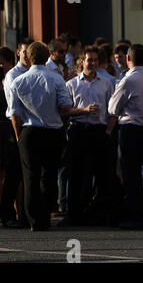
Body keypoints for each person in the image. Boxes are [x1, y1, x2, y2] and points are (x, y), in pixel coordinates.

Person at [9, 41, 98, 231]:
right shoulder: (56, 79)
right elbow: (65, 108)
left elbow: (14, 115)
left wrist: (19, 138)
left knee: (30, 177)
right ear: (47, 56)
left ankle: (33, 220)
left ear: (29, 57)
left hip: (29, 130)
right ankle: (44, 217)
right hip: (52, 131)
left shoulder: (18, 81)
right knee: (48, 176)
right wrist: (81, 110)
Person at [57, 46, 115, 227]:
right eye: (89, 60)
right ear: (81, 61)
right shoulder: (71, 84)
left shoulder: (106, 83)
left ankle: (99, 213)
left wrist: (107, 131)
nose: (93, 63)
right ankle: (74, 213)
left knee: (101, 173)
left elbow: (112, 111)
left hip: (99, 131)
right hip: (78, 130)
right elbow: (64, 112)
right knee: (75, 173)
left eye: (95, 60)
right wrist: (84, 110)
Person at [108, 44, 143, 230]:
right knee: (136, 173)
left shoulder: (129, 79)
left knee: (130, 174)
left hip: (130, 128)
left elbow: (112, 108)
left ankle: (136, 215)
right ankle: (140, 212)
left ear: (128, 59)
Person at [0, 46, 22, 228]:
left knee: (12, 174)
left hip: (7, 131)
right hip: (6, 131)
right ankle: (7, 213)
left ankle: (11, 212)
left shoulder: (13, 79)